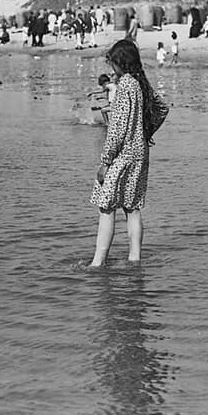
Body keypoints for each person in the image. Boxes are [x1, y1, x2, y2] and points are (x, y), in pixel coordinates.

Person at [89, 40, 157, 267]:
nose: (111, 68)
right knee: (132, 207)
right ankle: (134, 260)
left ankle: (99, 262)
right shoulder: (140, 83)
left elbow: (117, 129)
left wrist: (105, 162)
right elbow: (161, 108)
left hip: (124, 154)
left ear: (121, 62)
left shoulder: (125, 85)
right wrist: (145, 132)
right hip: (140, 152)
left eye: (112, 62)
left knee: (106, 207)